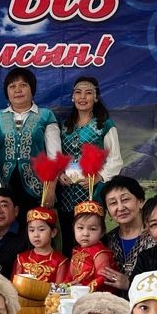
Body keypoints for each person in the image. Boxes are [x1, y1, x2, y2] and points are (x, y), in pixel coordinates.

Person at [57, 77, 124, 256]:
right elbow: (59, 155)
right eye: (78, 92)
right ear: (72, 97)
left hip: (92, 191)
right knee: (68, 237)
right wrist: (60, 173)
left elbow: (115, 159)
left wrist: (99, 178)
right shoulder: (65, 126)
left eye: (88, 93)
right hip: (67, 192)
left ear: (96, 98)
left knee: (91, 236)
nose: (82, 97)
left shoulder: (104, 125)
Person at [0, 68, 62, 224]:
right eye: (12, 86)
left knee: (35, 229)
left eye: (23, 85)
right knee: (4, 228)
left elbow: (55, 155)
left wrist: (51, 188)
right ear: (7, 92)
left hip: (36, 188)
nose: (18, 90)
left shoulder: (46, 115)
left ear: (32, 88)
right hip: (2, 185)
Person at [98, 176, 155, 295]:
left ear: (140, 202)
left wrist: (129, 284)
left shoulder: (156, 237)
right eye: (113, 203)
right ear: (108, 211)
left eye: (125, 200)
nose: (120, 208)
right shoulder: (105, 241)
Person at [70, 200, 118, 291]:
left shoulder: (100, 253)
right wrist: (66, 286)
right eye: (80, 228)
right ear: (73, 228)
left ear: (102, 232)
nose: (85, 234)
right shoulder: (77, 250)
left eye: (92, 229)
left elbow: (102, 277)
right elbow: (70, 274)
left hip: (96, 294)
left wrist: (86, 290)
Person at [13, 207, 69, 283]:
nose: (36, 235)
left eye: (41, 230)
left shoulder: (60, 261)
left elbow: (60, 287)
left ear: (53, 232)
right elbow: (14, 285)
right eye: (31, 230)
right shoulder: (21, 259)